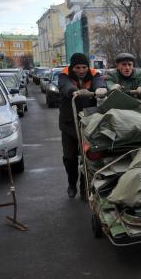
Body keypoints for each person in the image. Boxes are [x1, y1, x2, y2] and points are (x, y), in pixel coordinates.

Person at [58, 53, 107, 199]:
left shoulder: (94, 74)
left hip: (88, 123)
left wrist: (101, 89)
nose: (81, 70)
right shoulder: (64, 75)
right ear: (72, 67)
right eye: (78, 67)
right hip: (69, 123)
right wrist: (73, 91)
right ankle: (72, 183)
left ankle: (85, 187)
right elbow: (64, 86)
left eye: (84, 67)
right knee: (70, 157)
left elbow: (99, 82)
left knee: (88, 157)